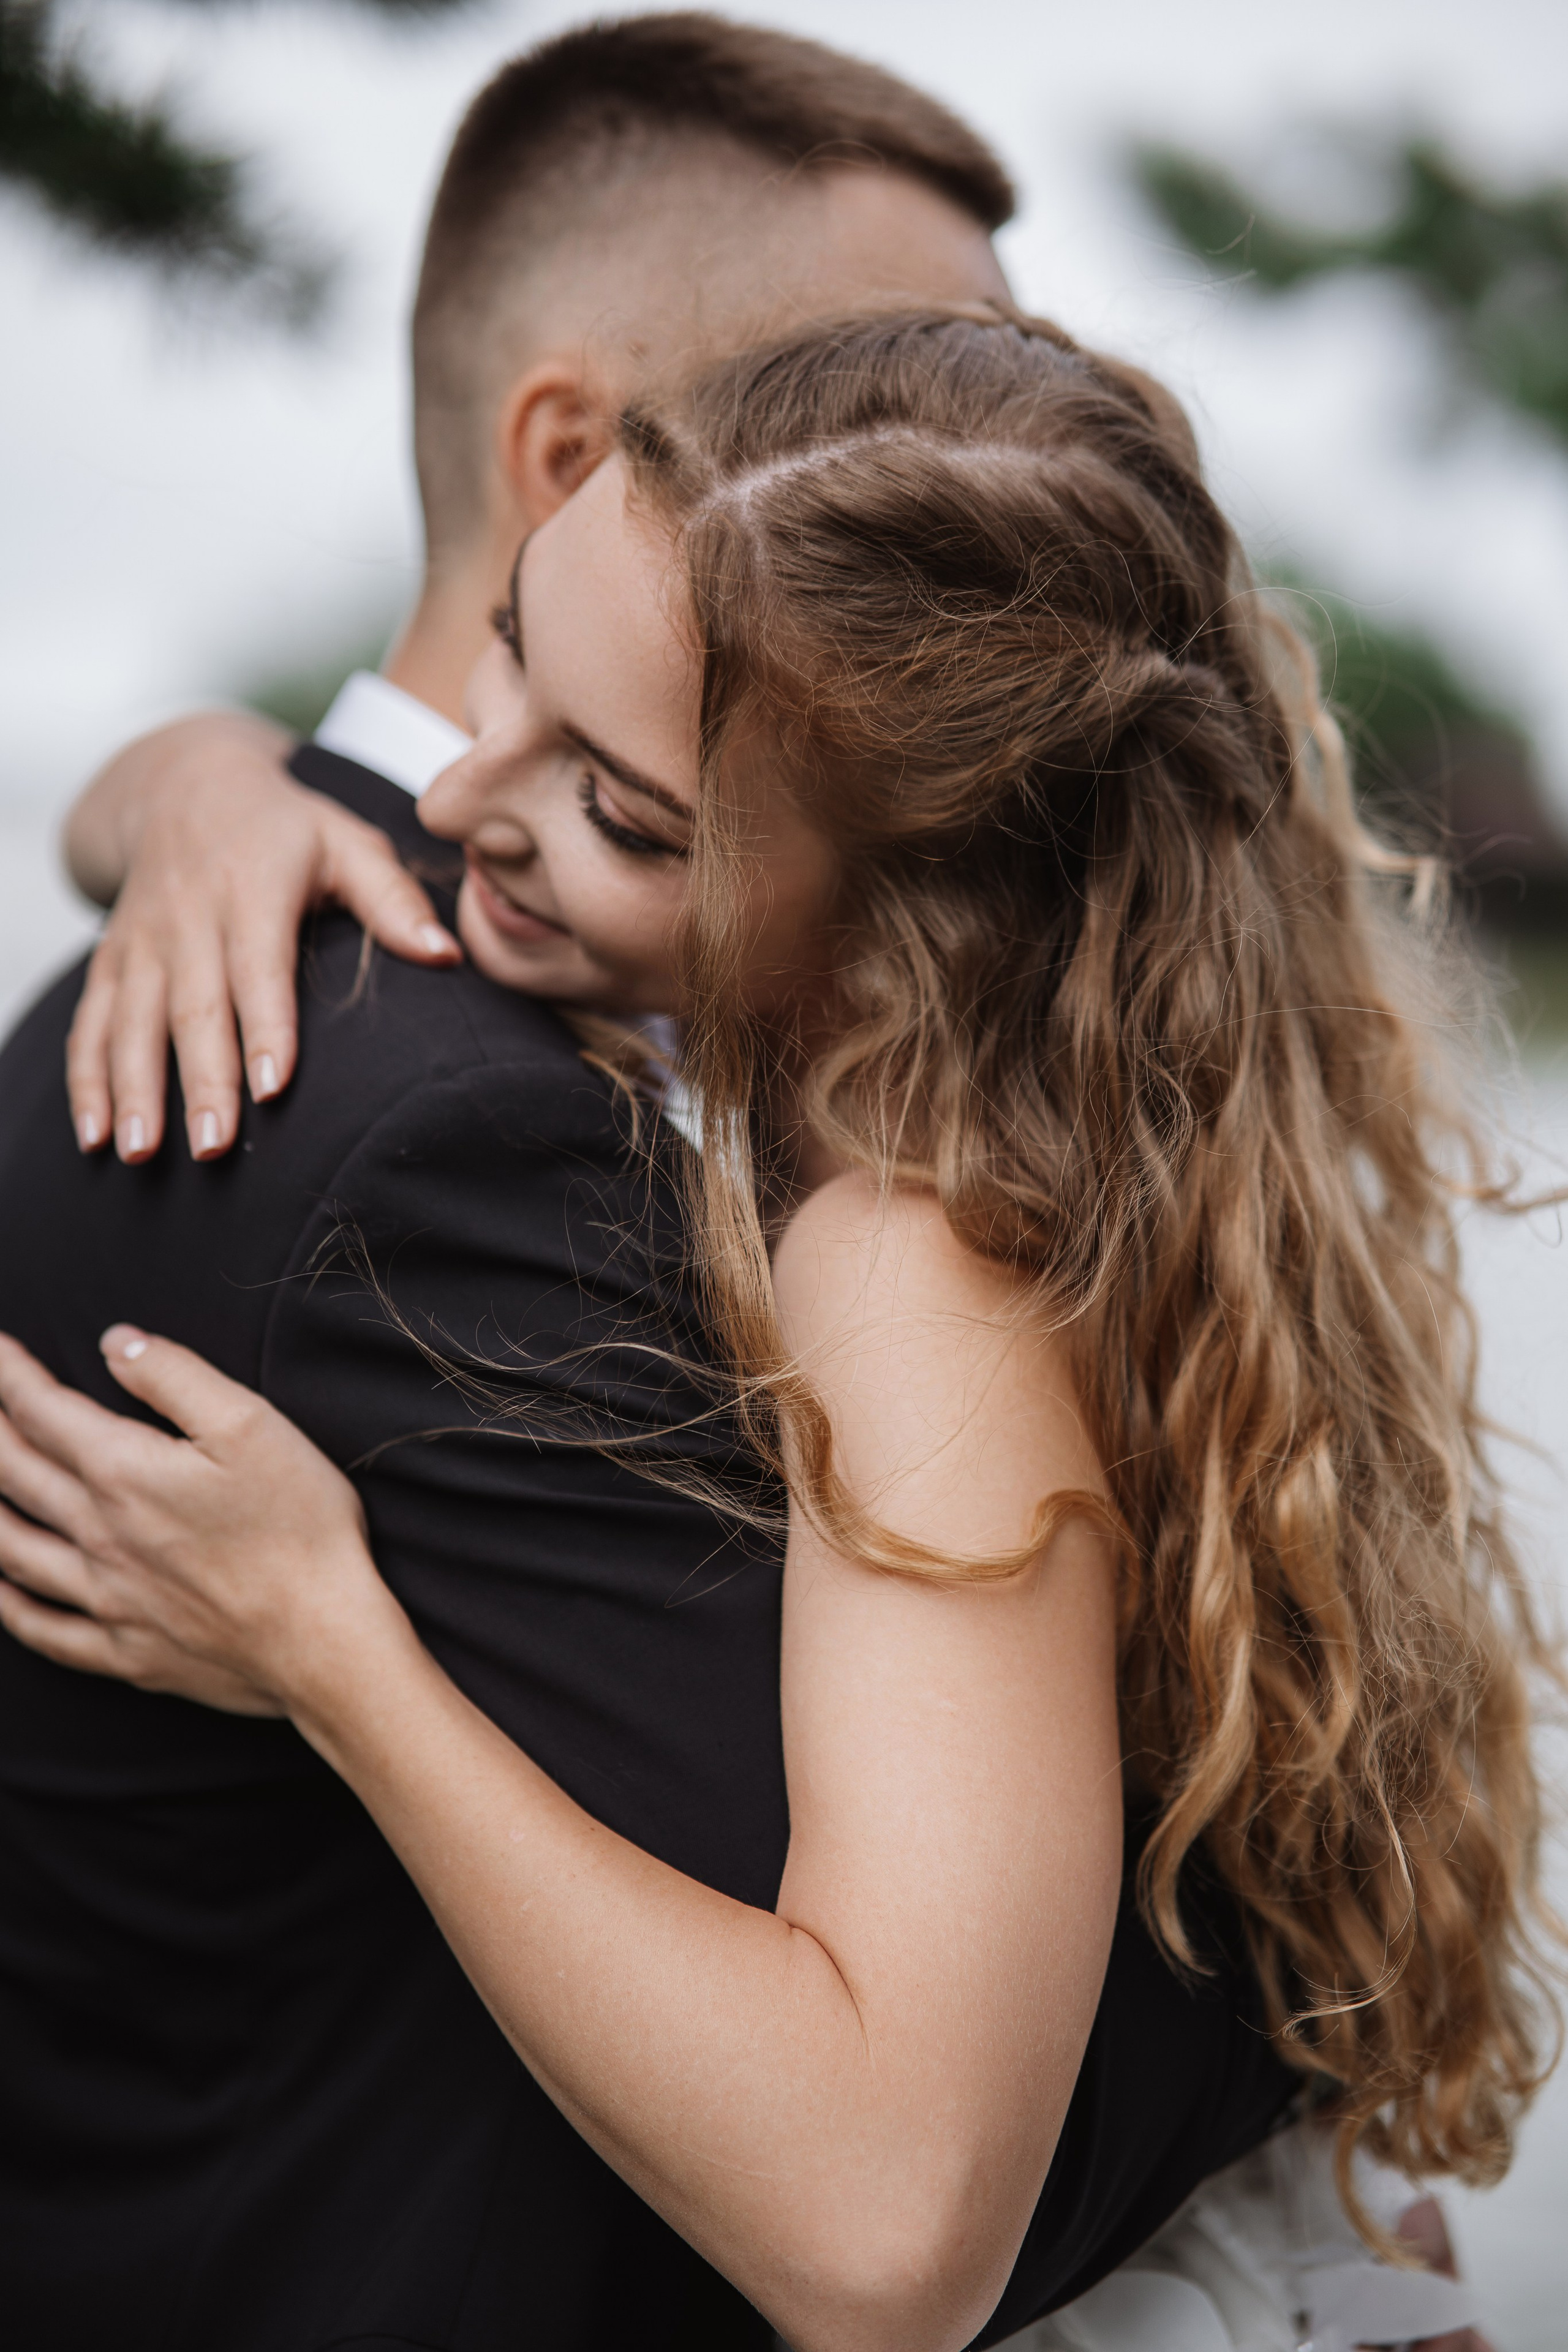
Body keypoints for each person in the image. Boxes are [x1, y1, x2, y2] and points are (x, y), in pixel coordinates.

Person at [1, 307, 1548, 2351]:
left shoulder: (909, 1260)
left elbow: (885, 2238)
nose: (466, 788)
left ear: (926, 907)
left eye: (627, 816)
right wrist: (195, 777)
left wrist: (326, 1647)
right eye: (515, 656)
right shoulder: (1086, 1159)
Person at [0, 20, 1070, 2351]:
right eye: (867, 397)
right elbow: (909, 2120)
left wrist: (178, 772)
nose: (980, 469)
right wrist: (1328, 2024)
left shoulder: (230, 935)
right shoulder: (452, 1124)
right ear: (580, 460)